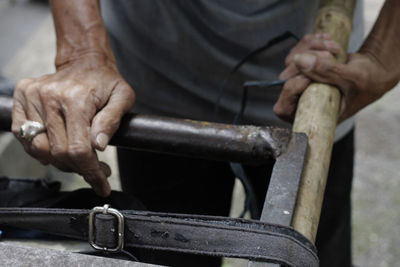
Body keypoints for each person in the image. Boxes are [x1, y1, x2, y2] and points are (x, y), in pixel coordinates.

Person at [11, 0, 400, 266]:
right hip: (153, 77)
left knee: (310, 252)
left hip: (311, 80)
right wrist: (82, 55)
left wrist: (383, 57)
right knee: (167, 252)